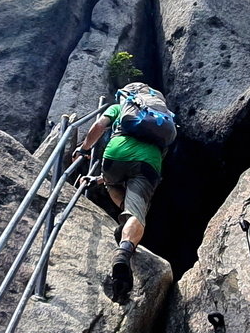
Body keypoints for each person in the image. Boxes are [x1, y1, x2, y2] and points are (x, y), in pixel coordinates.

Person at [71, 82, 177, 301]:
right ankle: (124, 248)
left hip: (115, 156)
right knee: (137, 212)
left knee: (113, 183)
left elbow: (100, 126)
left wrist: (84, 149)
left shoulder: (122, 106)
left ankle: (121, 215)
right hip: (149, 162)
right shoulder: (162, 119)